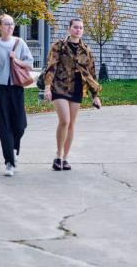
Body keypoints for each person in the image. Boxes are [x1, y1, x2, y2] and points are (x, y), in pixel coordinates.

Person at [43, 18, 102, 171]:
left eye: (81, 28)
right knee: (65, 120)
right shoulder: (59, 46)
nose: (78, 30)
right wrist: (47, 87)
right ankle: (57, 155)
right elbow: (51, 67)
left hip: (77, 88)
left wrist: (95, 95)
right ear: (69, 29)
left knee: (71, 124)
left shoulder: (86, 50)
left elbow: (91, 73)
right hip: (60, 86)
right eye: (75, 27)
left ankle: (65, 158)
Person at [0, 14, 34, 176]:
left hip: (17, 89)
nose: (10, 26)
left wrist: (16, 60)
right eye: (6, 24)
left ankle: (14, 150)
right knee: (4, 127)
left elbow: (29, 64)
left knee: (20, 125)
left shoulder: (20, 43)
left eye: (12, 24)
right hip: (1, 90)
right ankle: (9, 161)